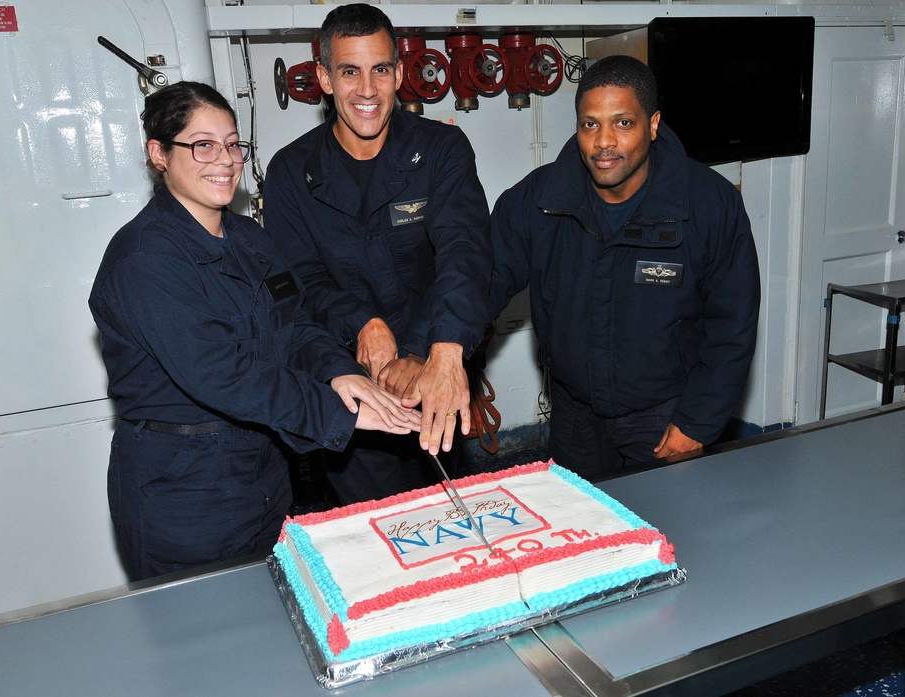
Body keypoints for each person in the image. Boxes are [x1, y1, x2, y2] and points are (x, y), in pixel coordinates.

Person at [88, 81, 420, 581]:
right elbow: (225, 374)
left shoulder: (248, 238)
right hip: (184, 490)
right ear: (159, 153)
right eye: (202, 145)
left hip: (261, 472)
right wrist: (338, 415)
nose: (223, 159)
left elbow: (295, 324)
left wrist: (338, 372)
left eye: (232, 144)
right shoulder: (145, 260)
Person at [489, 55, 761, 478]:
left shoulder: (709, 205)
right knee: (584, 533)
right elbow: (479, 277)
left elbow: (733, 325)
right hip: (574, 414)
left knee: (671, 534)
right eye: (590, 124)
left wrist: (697, 421)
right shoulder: (539, 200)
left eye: (623, 123)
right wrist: (437, 350)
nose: (603, 142)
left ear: (652, 125)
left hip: (665, 413)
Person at [263, 4, 493, 503]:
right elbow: (297, 284)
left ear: (401, 73)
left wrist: (434, 352)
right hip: (351, 385)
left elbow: (464, 254)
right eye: (350, 71)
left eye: (380, 70)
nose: (367, 90)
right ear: (324, 77)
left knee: (446, 508)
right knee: (375, 524)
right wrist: (361, 322)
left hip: (436, 365)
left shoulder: (443, 151)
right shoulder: (289, 173)